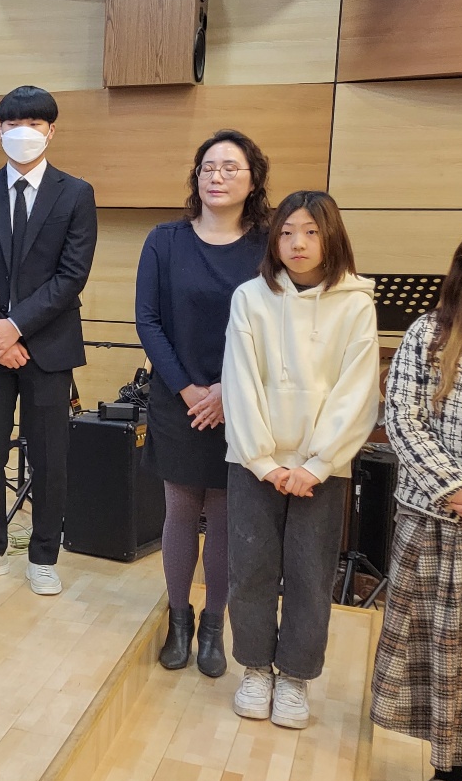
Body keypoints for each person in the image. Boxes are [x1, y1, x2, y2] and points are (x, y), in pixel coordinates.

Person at [222, 191, 378, 730]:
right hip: (253, 462)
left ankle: (294, 676)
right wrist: (264, 462)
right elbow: (240, 381)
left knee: (311, 576)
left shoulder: (356, 303)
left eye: (311, 231)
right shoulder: (250, 296)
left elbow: (357, 390)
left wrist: (317, 463)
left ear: (331, 236)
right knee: (251, 569)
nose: (298, 243)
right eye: (287, 232)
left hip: (322, 469)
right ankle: (255, 669)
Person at [374, 210, 462, 781]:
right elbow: (403, 419)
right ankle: (447, 772)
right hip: (440, 523)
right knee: (445, 650)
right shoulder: (431, 332)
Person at [135, 128, 270, 681]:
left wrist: (226, 392)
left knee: (226, 516)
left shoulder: (268, 246)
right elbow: (148, 320)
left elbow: (274, 328)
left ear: (253, 181)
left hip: (242, 399)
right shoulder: (164, 241)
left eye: (230, 167)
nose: (217, 176)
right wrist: (190, 389)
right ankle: (179, 620)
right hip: (178, 399)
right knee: (180, 509)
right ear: (196, 177)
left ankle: (215, 624)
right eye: (208, 167)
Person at [0, 85, 97, 595]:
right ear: (0, 131)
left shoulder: (75, 193)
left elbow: (71, 276)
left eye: (34, 124)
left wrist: (15, 327)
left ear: (51, 131)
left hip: (49, 345)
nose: (23, 132)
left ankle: (44, 555)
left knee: (50, 456)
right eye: (13, 124)